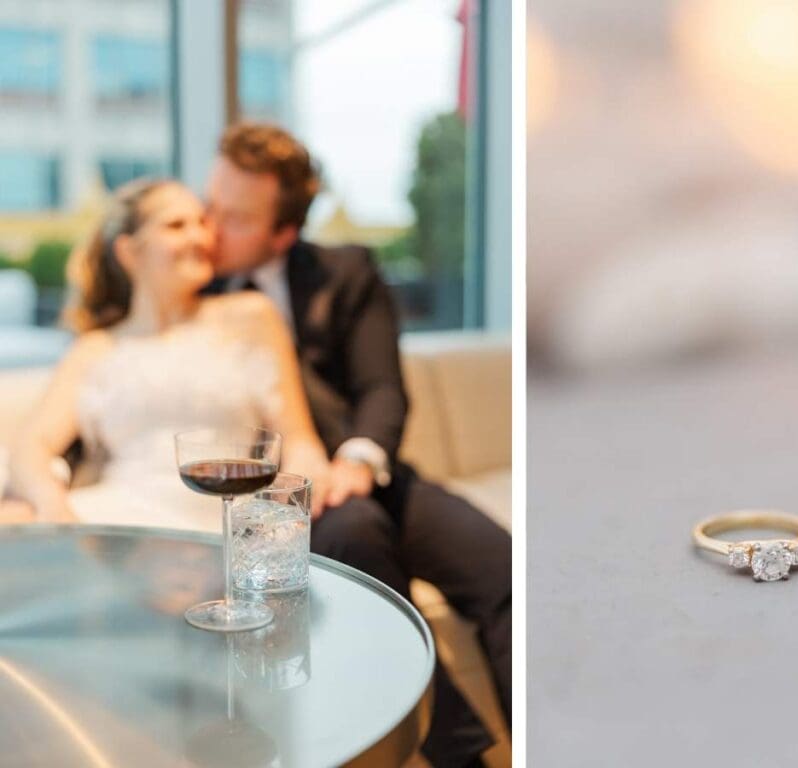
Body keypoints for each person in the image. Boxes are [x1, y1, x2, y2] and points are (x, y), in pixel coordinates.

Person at [205, 122, 511, 767]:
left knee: (507, 569)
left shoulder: (347, 271)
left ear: (283, 232)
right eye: (210, 205)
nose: (209, 227)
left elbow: (382, 388)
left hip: (373, 472)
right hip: (284, 498)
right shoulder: (191, 290)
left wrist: (359, 459)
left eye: (233, 217)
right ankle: (465, 759)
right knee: (352, 538)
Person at [8, 179, 336, 532]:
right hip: (118, 518)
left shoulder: (252, 316)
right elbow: (32, 446)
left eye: (201, 223)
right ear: (129, 252)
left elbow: (300, 439)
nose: (201, 237)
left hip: (227, 516)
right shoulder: (95, 347)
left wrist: (289, 507)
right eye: (176, 225)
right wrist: (52, 507)